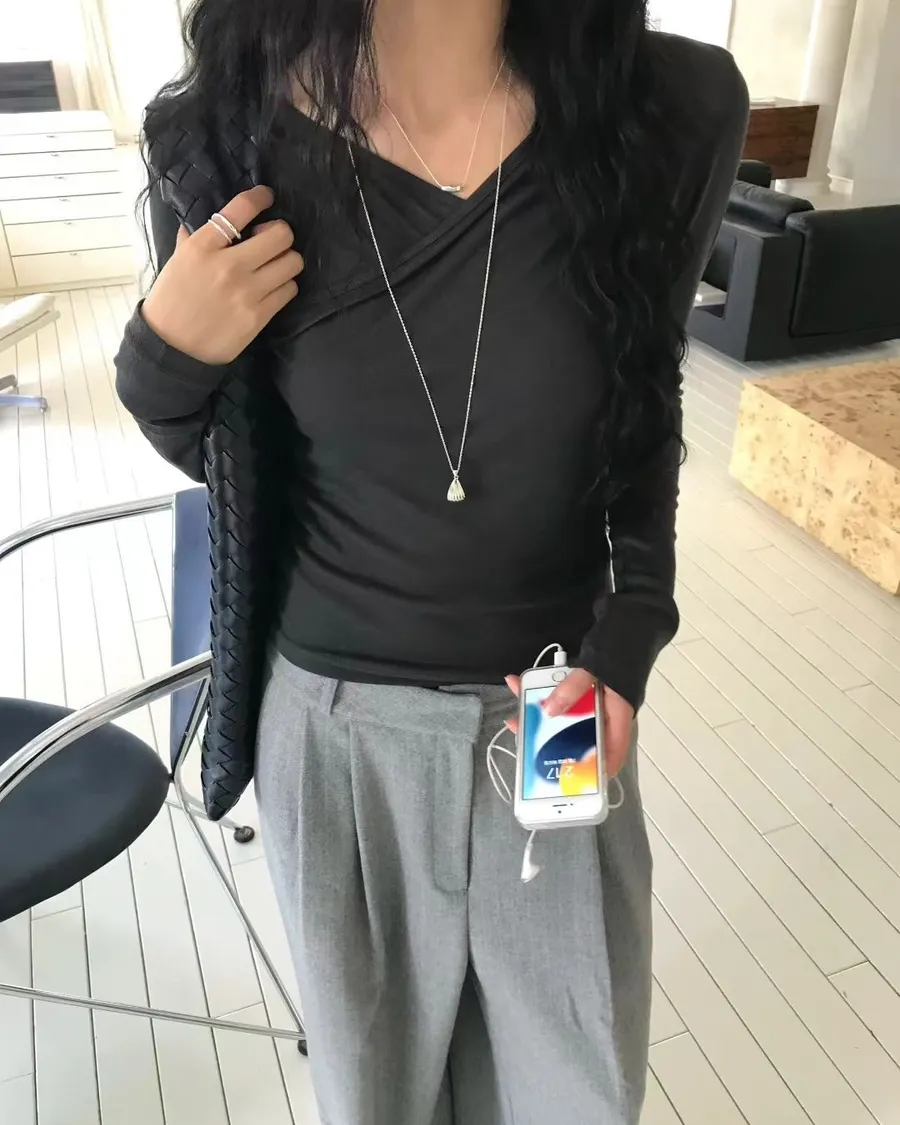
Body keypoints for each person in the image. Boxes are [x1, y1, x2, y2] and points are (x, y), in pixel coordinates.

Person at [115, 2, 748, 1121]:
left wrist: (631, 635)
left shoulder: (666, 110)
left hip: (555, 707)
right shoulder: (223, 134)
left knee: (572, 1087)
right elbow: (224, 452)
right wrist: (159, 358)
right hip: (337, 734)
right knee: (375, 1095)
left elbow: (644, 409)